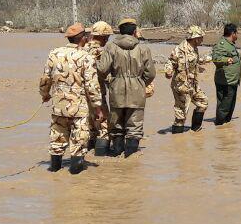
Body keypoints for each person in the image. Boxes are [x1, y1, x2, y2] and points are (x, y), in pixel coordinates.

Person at [40, 22, 102, 174]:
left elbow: (45, 79)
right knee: (79, 143)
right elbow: (92, 86)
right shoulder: (86, 57)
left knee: (57, 141)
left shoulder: (53, 54)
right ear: (83, 39)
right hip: (78, 109)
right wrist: (98, 108)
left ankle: (54, 172)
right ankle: (75, 178)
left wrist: (45, 95)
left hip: (58, 106)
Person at [96, 17, 156, 156]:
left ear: (120, 32)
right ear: (135, 32)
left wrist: (111, 81)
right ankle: (130, 160)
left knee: (116, 126)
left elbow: (103, 69)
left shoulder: (111, 47)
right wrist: (141, 84)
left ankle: (117, 154)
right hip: (137, 91)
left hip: (116, 90)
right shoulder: (143, 48)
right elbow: (151, 73)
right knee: (134, 127)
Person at [166, 25, 208, 133]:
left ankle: (195, 129)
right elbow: (170, 62)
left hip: (193, 85)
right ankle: (178, 139)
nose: (202, 39)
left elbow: (194, 61)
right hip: (181, 85)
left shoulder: (194, 48)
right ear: (195, 38)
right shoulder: (179, 49)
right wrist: (168, 71)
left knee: (203, 101)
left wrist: (205, 60)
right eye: (200, 37)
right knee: (181, 114)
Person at [85, 20, 113, 154]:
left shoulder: (81, 48)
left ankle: (88, 148)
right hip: (97, 93)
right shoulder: (102, 51)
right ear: (104, 36)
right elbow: (105, 73)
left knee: (89, 124)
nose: (108, 39)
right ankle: (101, 155)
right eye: (107, 37)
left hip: (81, 95)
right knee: (103, 125)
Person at [211, 23, 241, 125]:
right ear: (233, 33)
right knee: (224, 105)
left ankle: (226, 124)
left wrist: (240, 56)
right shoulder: (221, 44)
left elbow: (231, 56)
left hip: (232, 80)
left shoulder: (230, 44)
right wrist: (225, 60)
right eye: (237, 33)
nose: (237, 35)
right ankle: (219, 125)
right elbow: (215, 58)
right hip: (225, 81)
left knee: (229, 105)